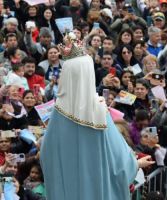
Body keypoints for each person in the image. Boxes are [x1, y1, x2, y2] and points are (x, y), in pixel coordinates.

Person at [40, 33, 153, 200]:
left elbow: (45, 156)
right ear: (88, 75)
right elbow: (120, 164)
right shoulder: (98, 111)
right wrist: (136, 164)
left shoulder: (57, 112)